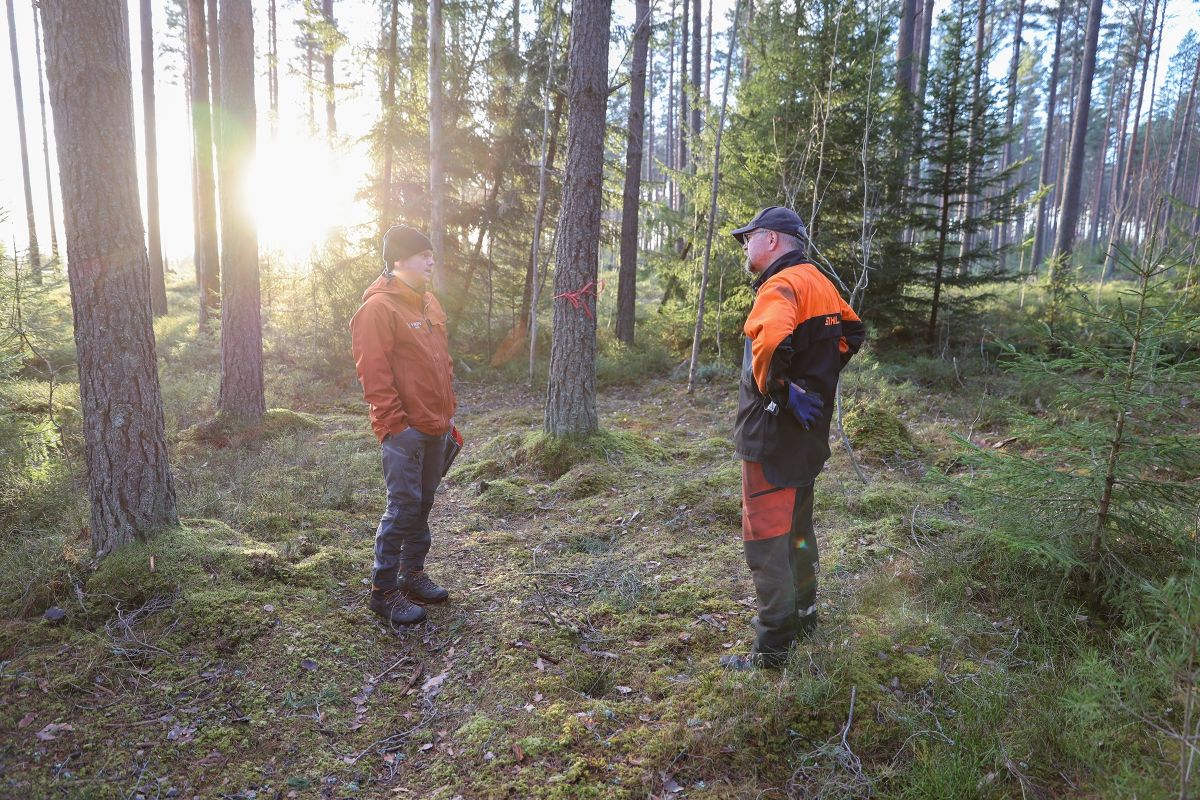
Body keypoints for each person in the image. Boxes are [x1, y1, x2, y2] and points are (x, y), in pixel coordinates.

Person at [721, 207, 866, 670]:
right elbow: (853, 331)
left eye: (749, 237)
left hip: (772, 438)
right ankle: (805, 619)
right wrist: (815, 385)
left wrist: (782, 391)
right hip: (806, 438)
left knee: (767, 542)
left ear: (772, 239)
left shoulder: (781, 285)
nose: (745, 246)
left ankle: (772, 651)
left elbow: (769, 343)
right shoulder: (819, 282)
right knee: (798, 532)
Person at [350, 225, 460, 626]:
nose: (431, 260)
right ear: (398, 259)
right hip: (404, 431)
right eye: (422, 255)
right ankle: (383, 591)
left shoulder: (428, 302)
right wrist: (396, 427)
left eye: (431, 254)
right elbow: (374, 376)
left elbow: (442, 363)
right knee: (402, 507)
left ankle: (412, 573)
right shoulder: (378, 309)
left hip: (436, 425)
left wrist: (447, 415)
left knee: (424, 502)